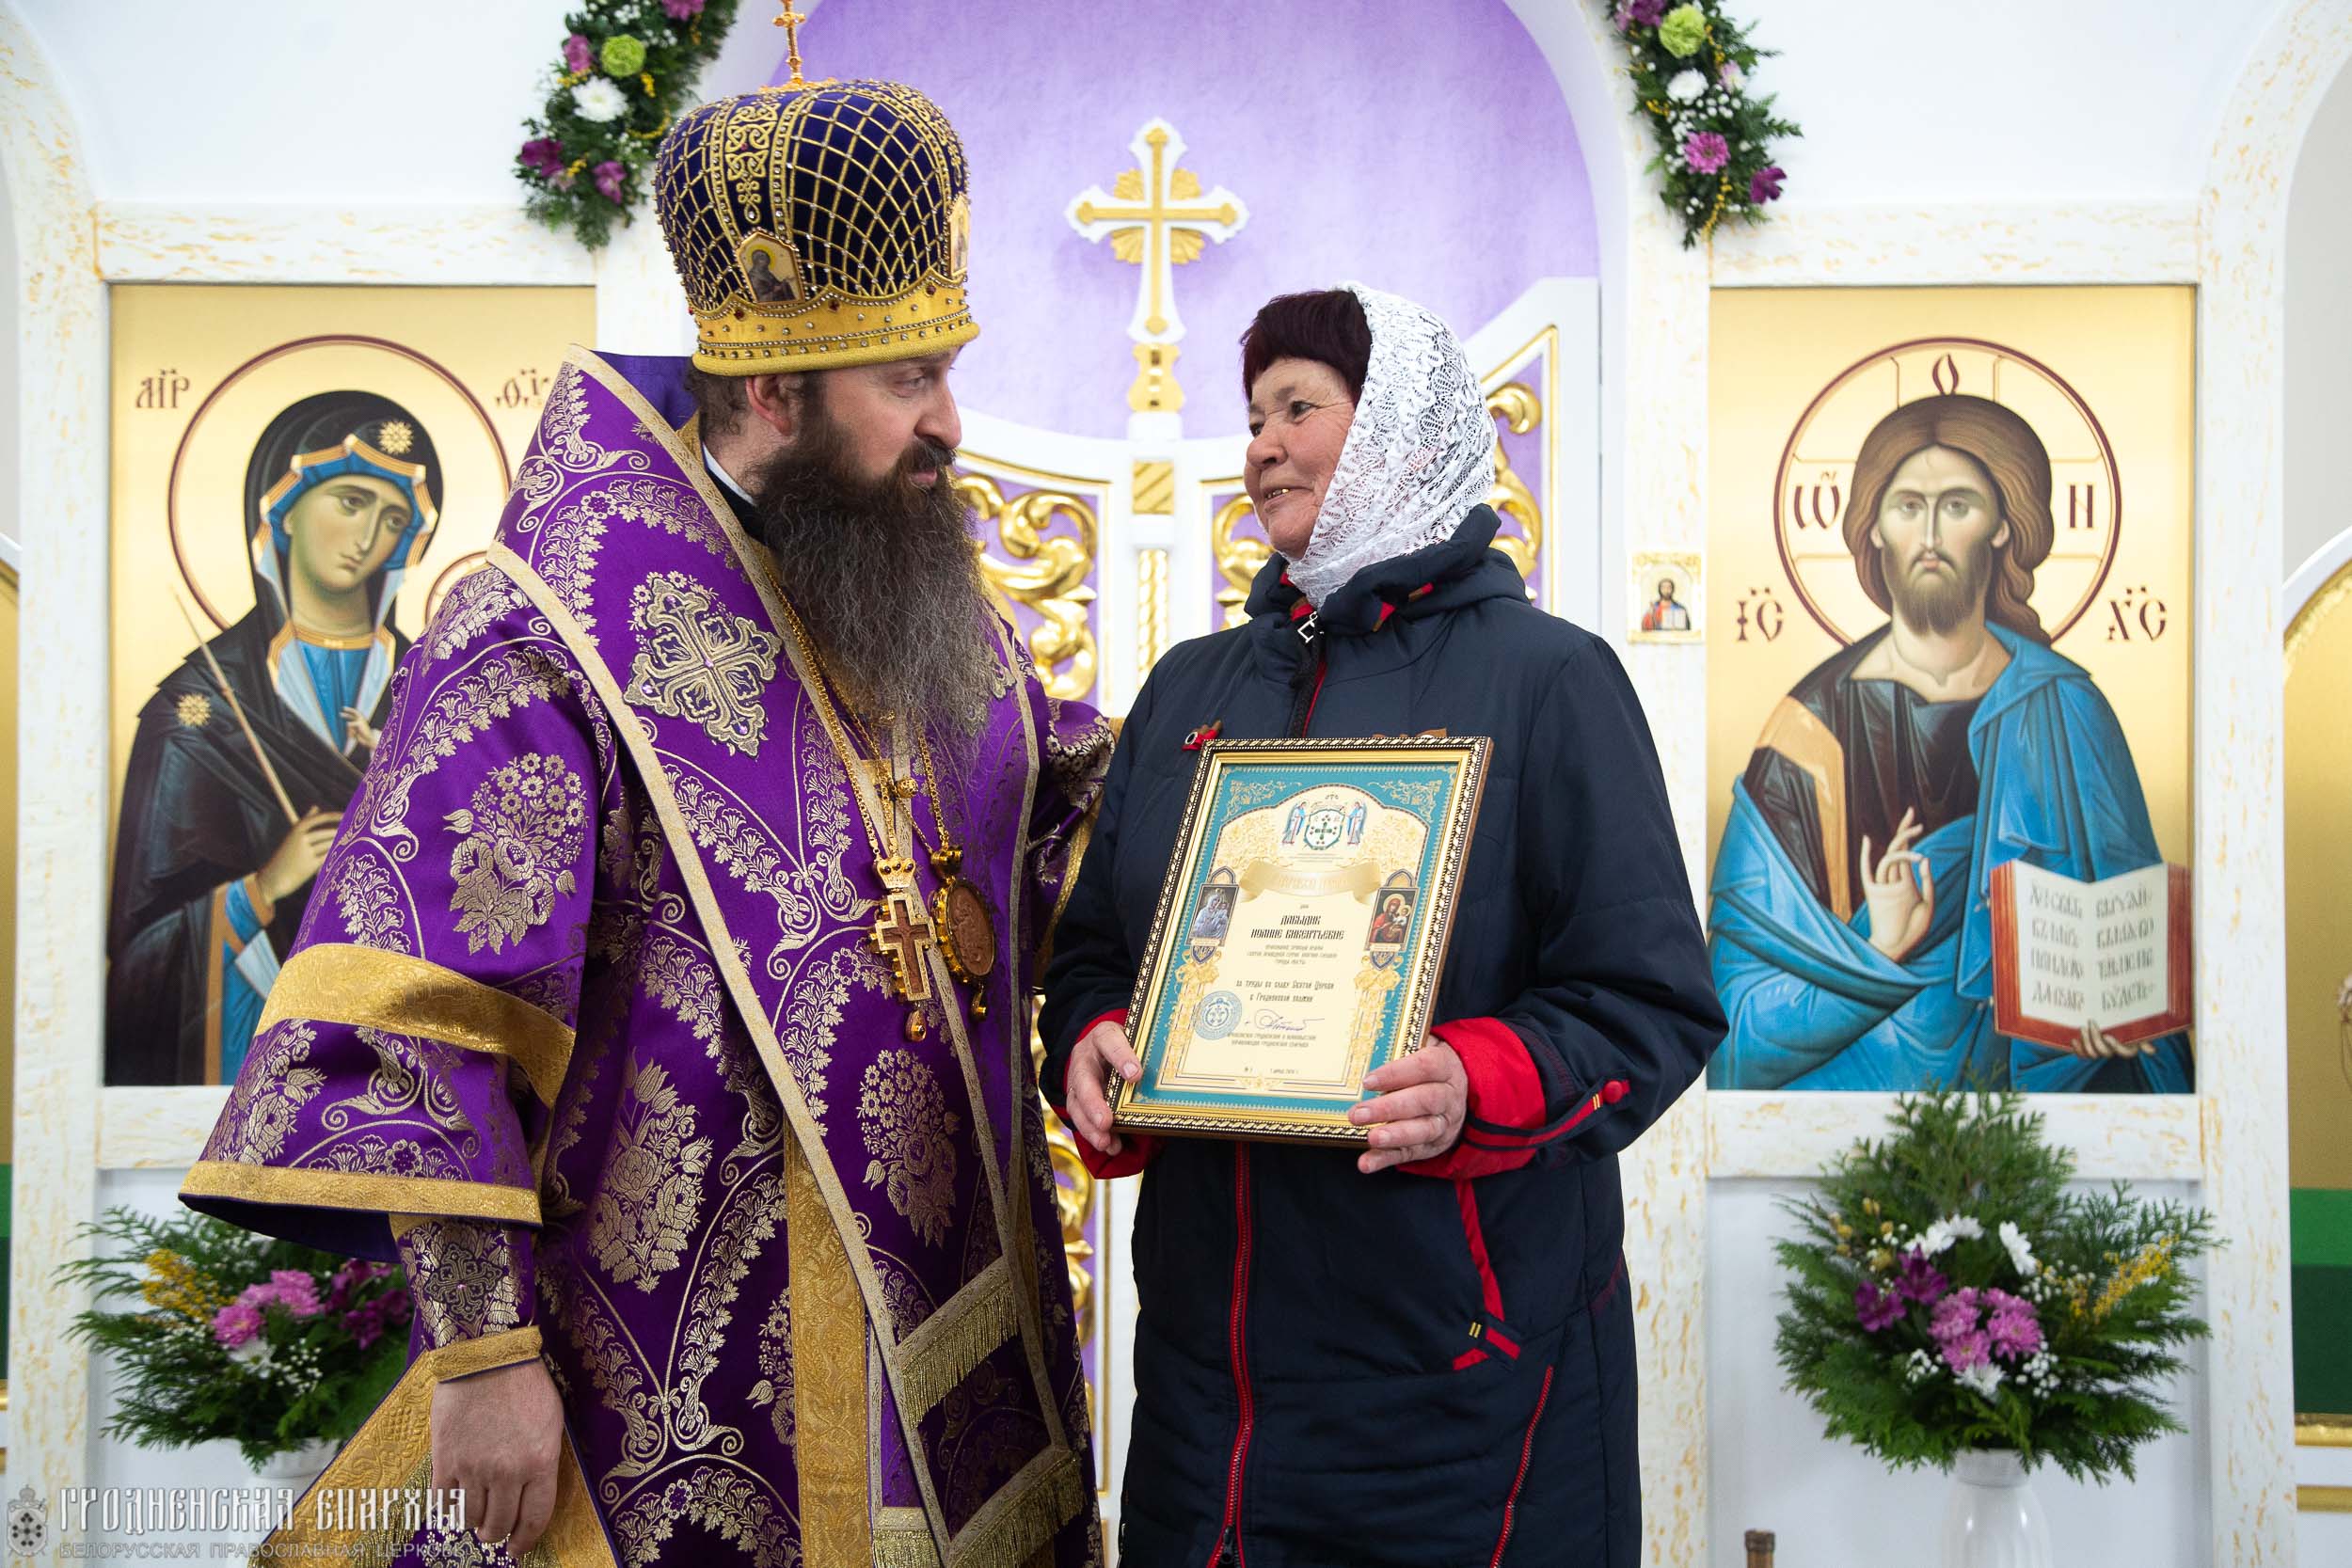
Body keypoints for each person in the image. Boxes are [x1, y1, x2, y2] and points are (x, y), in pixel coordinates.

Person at [182, 71, 1107, 1567]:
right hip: (664, 1361)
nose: (949, 422)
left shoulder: (912, 595)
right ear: (774, 393)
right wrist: (483, 1356)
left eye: (945, 370)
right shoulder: (543, 636)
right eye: (907, 380)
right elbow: (420, 1018)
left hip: (957, 1324)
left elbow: (1049, 814)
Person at [1040, 285, 1724, 1568]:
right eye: (1253, 416)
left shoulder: (1551, 678)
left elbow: (1650, 999)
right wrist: (1090, 1036)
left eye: (1299, 407)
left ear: (1404, 429)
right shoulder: (1191, 689)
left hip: (1459, 1391)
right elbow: (1091, 952)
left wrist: (1476, 1077)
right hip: (1204, 1394)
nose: (1261, 445)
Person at [1707, 394, 2192, 1092]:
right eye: (1908, 506)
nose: (1930, 534)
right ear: (1874, 528)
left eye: (1958, 505)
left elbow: (2136, 970)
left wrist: (2117, 1029)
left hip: (2037, 1124)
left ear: (2004, 526)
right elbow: (1733, 1031)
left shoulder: (2067, 709)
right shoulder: (1808, 733)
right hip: (1839, 1125)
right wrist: (1879, 951)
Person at [109, 391, 437, 1085]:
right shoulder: (199, 709)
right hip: (246, 1054)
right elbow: (137, 956)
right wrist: (261, 889)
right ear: (281, 507)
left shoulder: (436, 689)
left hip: (402, 1054)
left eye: (392, 520)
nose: (367, 538)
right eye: (351, 501)